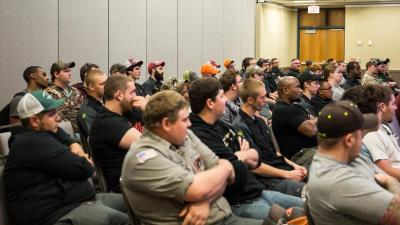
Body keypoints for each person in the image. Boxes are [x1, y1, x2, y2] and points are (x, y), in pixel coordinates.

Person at [121, 90, 263, 225]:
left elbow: (222, 172)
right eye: (184, 120)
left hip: (224, 217)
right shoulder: (143, 158)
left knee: (281, 217)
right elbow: (199, 188)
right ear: (166, 124)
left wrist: (204, 201)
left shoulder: (185, 136)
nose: (189, 124)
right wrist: (225, 167)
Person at [3, 90, 129, 225]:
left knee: (135, 202)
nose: (59, 118)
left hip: (77, 202)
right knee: (122, 220)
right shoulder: (33, 143)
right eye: (52, 114)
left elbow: (62, 134)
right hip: (55, 215)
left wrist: (73, 144)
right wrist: (82, 159)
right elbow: (86, 169)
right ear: (34, 120)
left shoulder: (41, 131)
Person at [189, 78, 303, 220]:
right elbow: (236, 173)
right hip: (240, 201)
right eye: (221, 96)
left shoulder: (222, 125)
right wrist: (242, 157)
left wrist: (241, 156)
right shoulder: (201, 135)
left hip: (257, 191)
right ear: (210, 103)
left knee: (309, 208)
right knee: (291, 220)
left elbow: (256, 156)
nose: (226, 101)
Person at [307, 100, 400, 225]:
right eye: (361, 134)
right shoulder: (336, 181)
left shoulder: (348, 156)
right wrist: (391, 181)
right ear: (349, 140)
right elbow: (397, 214)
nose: (363, 139)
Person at [233, 78, 306, 197]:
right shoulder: (240, 126)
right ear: (250, 100)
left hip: (282, 169)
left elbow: (274, 152)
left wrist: (294, 165)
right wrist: (287, 174)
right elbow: (253, 166)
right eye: (262, 98)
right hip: (269, 179)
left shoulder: (260, 121)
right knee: (311, 193)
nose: (265, 101)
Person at [90, 75, 145, 192]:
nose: (136, 96)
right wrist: (149, 109)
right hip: (127, 186)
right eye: (133, 92)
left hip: (142, 174)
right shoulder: (107, 122)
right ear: (119, 95)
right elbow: (152, 144)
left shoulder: (129, 111)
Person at [342, 85, 400, 181]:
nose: (396, 107)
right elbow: (386, 171)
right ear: (381, 107)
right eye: (393, 104)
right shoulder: (371, 134)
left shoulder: (383, 127)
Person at [272, 76, 317, 167]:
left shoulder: (292, 106)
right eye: (297, 87)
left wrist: (313, 122)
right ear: (286, 90)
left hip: (309, 151)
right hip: (301, 156)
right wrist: (315, 121)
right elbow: (313, 131)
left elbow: (312, 124)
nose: (300, 90)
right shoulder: (285, 110)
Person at [46, 60, 84, 131]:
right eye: (66, 71)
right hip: (59, 133)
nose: (70, 74)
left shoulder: (75, 91)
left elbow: (82, 112)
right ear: (56, 74)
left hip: (79, 133)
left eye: (70, 71)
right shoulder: (48, 93)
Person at [77, 69, 107, 138]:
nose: (107, 86)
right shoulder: (87, 111)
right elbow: (96, 139)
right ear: (91, 87)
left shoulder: (108, 103)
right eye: (103, 84)